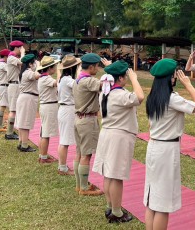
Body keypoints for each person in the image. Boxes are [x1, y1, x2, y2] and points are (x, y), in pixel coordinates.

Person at [144, 59, 195, 230]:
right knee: (163, 202)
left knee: (152, 198)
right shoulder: (172, 99)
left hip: (154, 146)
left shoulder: (153, 97)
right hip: (166, 149)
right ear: (170, 79)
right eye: (174, 76)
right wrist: (188, 85)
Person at [92, 61, 145, 223]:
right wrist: (135, 78)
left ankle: (111, 206)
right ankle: (116, 212)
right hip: (118, 137)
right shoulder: (120, 94)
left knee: (109, 174)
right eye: (126, 77)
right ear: (120, 78)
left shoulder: (106, 92)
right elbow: (140, 97)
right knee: (116, 176)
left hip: (107, 135)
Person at [72, 53, 106, 196]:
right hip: (87, 120)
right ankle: (84, 188)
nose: (98, 69)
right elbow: (106, 85)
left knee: (79, 153)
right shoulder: (89, 81)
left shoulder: (78, 80)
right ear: (91, 67)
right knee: (86, 155)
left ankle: (79, 185)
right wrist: (111, 69)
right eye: (97, 66)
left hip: (79, 119)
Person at [56, 55, 81, 175]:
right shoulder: (67, 79)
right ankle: (62, 167)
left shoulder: (63, 78)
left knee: (64, 140)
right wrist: (81, 73)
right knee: (64, 141)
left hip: (65, 109)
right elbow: (79, 85)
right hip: (67, 110)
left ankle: (62, 166)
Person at [14, 54, 40, 152]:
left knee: (22, 122)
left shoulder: (23, 72)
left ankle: (21, 143)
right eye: (34, 62)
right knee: (25, 123)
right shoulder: (28, 72)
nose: (35, 64)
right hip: (28, 98)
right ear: (30, 64)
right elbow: (37, 75)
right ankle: (24, 145)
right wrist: (41, 66)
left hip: (24, 98)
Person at [37, 56, 60, 164]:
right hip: (49, 106)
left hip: (47, 106)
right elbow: (58, 84)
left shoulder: (44, 78)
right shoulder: (46, 79)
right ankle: (43, 157)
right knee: (46, 133)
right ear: (50, 68)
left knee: (44, 132)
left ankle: (43, 155)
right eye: (55, 67)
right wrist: (60, 73)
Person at [5, 41, 25, 140]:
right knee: (13, 110)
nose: (21, 50)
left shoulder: (13, 57)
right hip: (14, 85)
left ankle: (11, 130)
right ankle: (9, 133)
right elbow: (23, 62)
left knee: (15, 109)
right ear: (16, 48)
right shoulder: (11, 58)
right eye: (20, 48)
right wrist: (23, 53)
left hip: (16, 85)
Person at [0, 49, 11, 131]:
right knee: (2, 106)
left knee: (2, 105)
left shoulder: (3, 63)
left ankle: (0, 125)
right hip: (3, 86)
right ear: (5, 57)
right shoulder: (2, 64)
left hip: (4, 87)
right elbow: (11, 70)